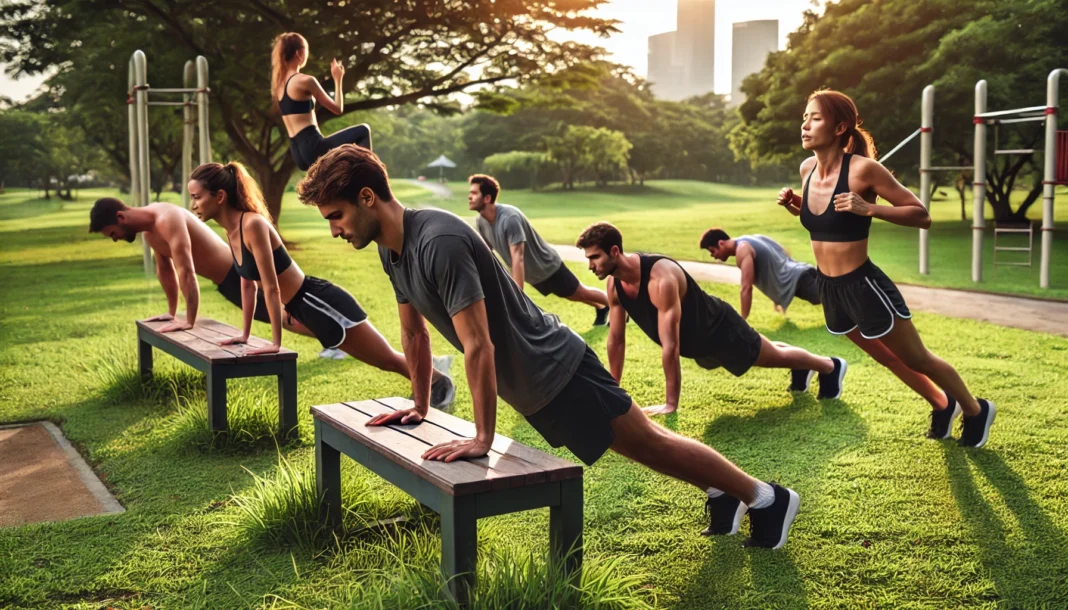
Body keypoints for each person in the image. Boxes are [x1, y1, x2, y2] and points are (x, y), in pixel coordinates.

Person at [297, 144, 801, 549]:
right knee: (630, 444)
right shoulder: (394, 249)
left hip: (555, 365)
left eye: (335, 215)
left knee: (646, 440)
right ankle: (722, 491)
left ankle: (766, 498)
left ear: (367, 198)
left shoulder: (439, 241)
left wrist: (482, 437)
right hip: (535, 384)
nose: (335, 229)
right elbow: (413, 333)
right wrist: (420, 404)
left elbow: (478, 346)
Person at [776, 88, 995, 447]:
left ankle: (975, 409)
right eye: (804, 117)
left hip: (864, 286)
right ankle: (942, 404)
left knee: (917, 358)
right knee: (887, 359)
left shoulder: (864, 170)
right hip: (830, 288)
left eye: (815, 118)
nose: (805, 125)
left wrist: (870, 209)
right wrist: (796, 206)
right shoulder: (807, 169)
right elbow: (829, 222)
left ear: (839, 126)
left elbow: (921, 216)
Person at [188, 161, 455, 408]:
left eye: (197, 197)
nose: (193, 205)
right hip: (299, 309)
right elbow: (248, 285)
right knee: (384, 359)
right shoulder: (231, 230)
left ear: (220, 197)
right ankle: (430, 381)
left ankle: (439, 383)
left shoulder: (252, 225)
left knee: (385, 358)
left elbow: (270, 287)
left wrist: (275, 344)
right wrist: (244, 335)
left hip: (318, 303)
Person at [576, 222, 847, 416]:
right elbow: (616, 341)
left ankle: (829, 366)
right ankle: (805, 367)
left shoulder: (661, 278)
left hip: (719, 330)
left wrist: (670, 404)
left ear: (614, 251)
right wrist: (615, 390)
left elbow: (671, 346)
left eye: (595, 257)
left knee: (770, 355)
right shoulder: (614, 285)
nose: (590, 266)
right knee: (767, 349)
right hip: (701, 343)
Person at [702, 227, 948, 412]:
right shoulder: (751, 238)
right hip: (802, 275)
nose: (714, 255)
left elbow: (746, 287)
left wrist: (742, 321)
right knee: (841, 303)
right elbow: (779, 252)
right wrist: (779, 292)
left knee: (844, 300)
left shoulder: (742, 251)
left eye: (713, 250)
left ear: (721, 242)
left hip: (803, 281)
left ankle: (874, 309)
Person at [89, 197, 322, 340]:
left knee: (286, 314)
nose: (115, 239)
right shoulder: (150, 233)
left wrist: (188, 320)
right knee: (284, 315)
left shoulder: (167, 218)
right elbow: (167, 273)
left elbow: (186, 271)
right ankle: (334, 337)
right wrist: (171, 313)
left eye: (112, 233)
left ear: (120, 217)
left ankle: (335, 340)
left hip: (239, 271)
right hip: (226, 282)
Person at [468, 174, 610, 326]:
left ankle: (617, 306)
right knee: (573, 296)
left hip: (548, 266)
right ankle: (602, 308)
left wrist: (517, 298)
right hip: (534, 275)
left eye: (474, 193)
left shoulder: (510, 218)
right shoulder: (481, 222)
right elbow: (489, 255)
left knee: (581, 292)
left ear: (487, 198)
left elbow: (518, 257)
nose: (469, 197)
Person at [272, 32, 372, 171]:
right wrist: (338, 79)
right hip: (313, 147)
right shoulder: (305, 80)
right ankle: (368, 179)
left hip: (297, 153)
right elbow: (338, 108)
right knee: (363, 130)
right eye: (306, 51)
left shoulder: (279, 85)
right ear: (298, 53)